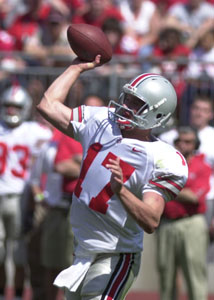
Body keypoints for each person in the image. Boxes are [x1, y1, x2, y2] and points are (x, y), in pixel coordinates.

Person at [36, 55, 188, 300]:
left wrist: (122, 191)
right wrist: (77, 67)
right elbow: (48, 105)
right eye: (126, 97)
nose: (126, 105)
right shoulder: (102, 121)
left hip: (116, 256)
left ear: (157, 115)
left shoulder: (164, 158)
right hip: (82, 250)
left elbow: (151, 220)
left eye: (136, 103)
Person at [0, 83, 52, 300]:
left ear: (25, 107)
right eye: (8, 106)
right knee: (0, 254)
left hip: (23, 198)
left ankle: (19, 295)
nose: (11, 111)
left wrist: (40, 195)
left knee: (21, 254)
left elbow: (49, 160)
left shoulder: (36, 132)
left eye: (16, 106)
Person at [156, 126, 211, 300]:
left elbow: (194, 197)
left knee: (194, 274)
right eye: (179, 141)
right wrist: (180, 191)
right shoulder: (165, 163)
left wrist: (167, 188)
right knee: (166, 275)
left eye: (188, 141)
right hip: (166, 223)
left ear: (196, 144)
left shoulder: (202, 165)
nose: (182, 145)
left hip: (191, 223)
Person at [27, 128, 82, 300]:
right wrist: (41, 198)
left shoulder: (82, 141)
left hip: (78, 208)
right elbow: (36, 178)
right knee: (49, 262)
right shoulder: (48, 146)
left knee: (73, 263)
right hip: (54, 207)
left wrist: (80, 164)